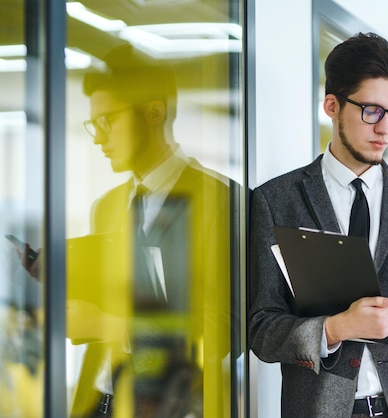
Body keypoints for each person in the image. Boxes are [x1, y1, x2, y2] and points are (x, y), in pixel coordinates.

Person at [248, 32, 388, 418]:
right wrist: (335, 328)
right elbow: (263, 331)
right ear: (332, 105)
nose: (385, 129)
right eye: (371, 111)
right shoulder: (276, 201)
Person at [67, 45, 232, 417]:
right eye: (94, 125)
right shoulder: (108, 206)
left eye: (108, 120)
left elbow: (222, 330)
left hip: (170, 404)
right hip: (102, 399)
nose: (98, 138)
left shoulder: (221, 201)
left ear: (154, 113)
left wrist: (106, 324)